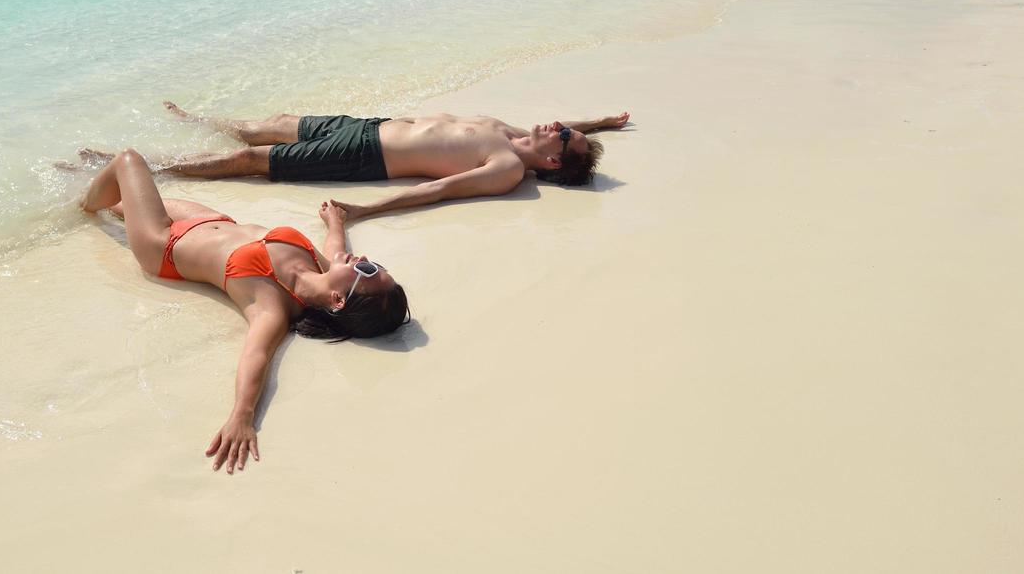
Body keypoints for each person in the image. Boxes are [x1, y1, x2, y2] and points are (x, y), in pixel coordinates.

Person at [79, 147, 408, 473]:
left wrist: (242, 416)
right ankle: (78, 176)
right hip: (208, 220)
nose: (364, 260)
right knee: (120, 199)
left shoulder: (274, 306)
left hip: (162, 244)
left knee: (128, 162)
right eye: (375, 264)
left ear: (338, 300)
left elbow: (257, 356)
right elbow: (336, 251)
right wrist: (335, 222)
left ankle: (74, 206)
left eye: (368, 272)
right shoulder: (322, 269)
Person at [90, 104, 631, 222]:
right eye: (566, 126)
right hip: (368, 125)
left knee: (248, 159)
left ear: (555, 163)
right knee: (257, 126)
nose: (558, 126)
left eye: (564, 135)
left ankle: (138, 168)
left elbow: (438, 193)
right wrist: (601, 124)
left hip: (364, 156)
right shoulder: (512, 133)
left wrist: (362, 211)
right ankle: (187, 122)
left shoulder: (508, 168)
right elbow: (570, 126)